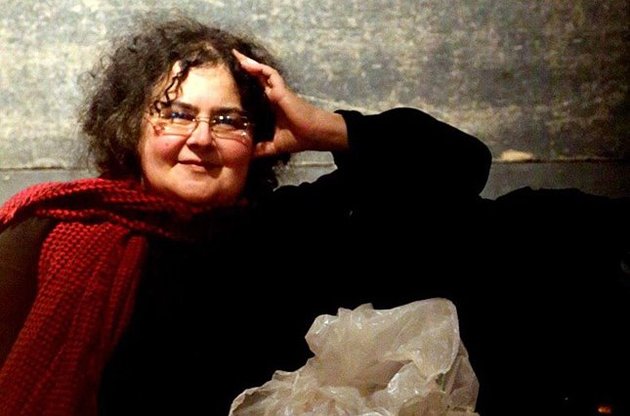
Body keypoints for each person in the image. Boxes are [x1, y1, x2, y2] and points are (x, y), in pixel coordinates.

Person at [0, 14, 492, 416]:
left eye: (227, 120)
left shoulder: (291, 230)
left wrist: (321, 128)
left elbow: (461, 166)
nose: (200, 138)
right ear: (132, 125)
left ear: (257, 136)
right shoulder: (59, 232)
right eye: (176, 114)